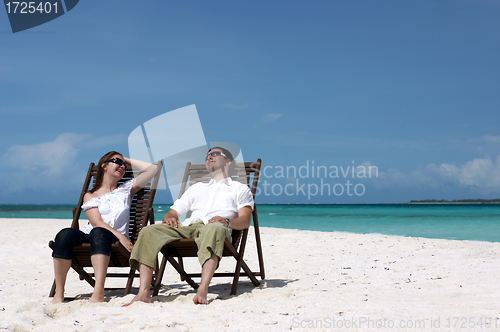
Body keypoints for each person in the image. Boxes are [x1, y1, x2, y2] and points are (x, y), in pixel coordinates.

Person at [124, 147, 254, 305]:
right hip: (188, 227)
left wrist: (227, 222)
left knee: (214, 228)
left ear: (228, 162)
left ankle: (202, 289)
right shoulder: (197, 188)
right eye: (207, 156)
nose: (209, 157)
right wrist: (171, 218)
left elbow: (245, 220)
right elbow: (172, 213)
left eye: (214, 154)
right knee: (148, 231)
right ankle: (144, 292)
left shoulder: (240, 188)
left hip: (214, 227)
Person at [51, 151, 158, 303]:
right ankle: (59, 293)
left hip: (112, 241)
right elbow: (96, 223)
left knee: (99, 233)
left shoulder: (127, 189)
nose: (122, 166)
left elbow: (152, 169)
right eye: (117, 162)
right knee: (64, 234)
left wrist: (123, 159)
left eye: (124, 165)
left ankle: (98, 291)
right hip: (96, 235)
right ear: (104, 166)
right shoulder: (90, 195)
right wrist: (121, 236)